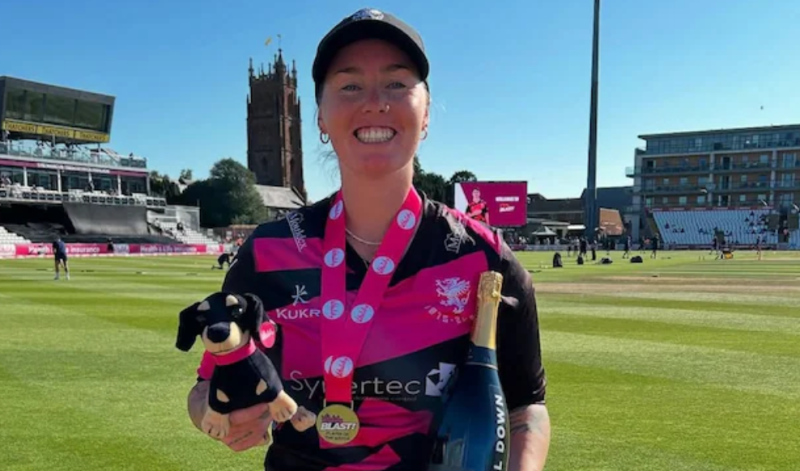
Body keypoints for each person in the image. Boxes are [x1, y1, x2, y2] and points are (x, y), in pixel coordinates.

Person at [183, 8, 550, 471]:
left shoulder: (485, 257)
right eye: (350, 86)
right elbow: (208, 382)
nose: (375, 102)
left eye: (397, 83)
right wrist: (215, 415)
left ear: (427, 113)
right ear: (320, 116)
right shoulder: (266, 252)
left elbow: (525, 407)